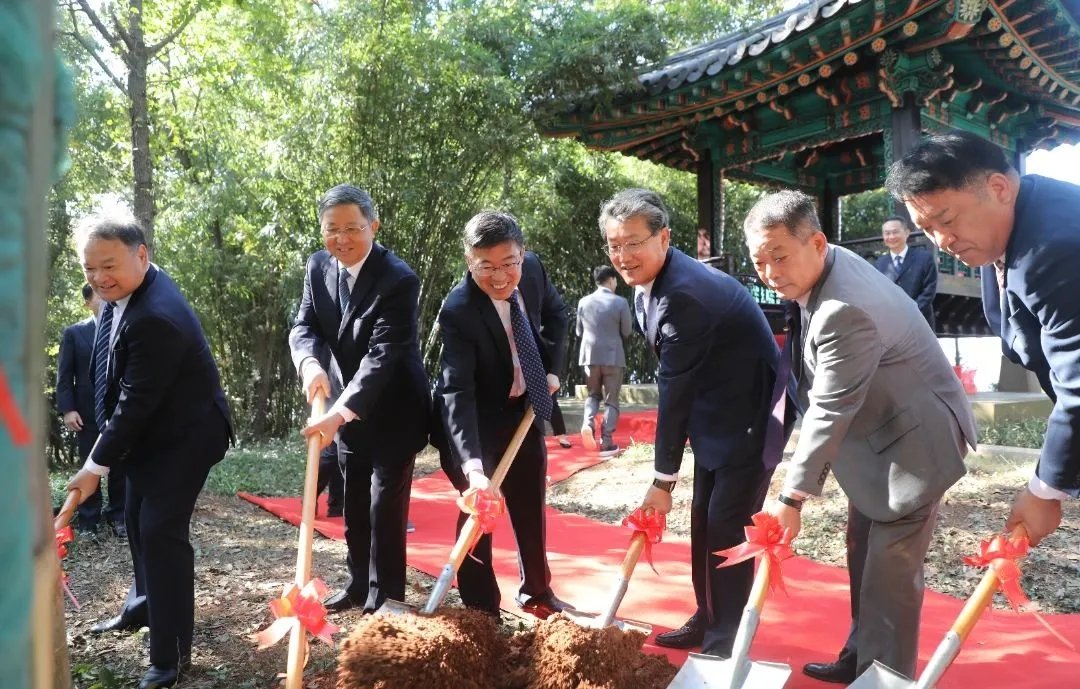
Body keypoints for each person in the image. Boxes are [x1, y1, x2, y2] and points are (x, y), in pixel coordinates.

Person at [744, 190, 976, 684]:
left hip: (915, 443)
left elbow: (829, 406)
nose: (770, 271)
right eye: (759, 261)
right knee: (861, 552)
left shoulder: (842, 309)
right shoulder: (826, 269)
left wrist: (791, 497)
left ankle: (883, 675)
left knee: (889, 573)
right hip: (879, 436)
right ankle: (858, 656)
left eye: (780, 256)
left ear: (818, 243)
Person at [601, 188, 791, 658]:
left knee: (728, 525)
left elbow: (675, 390)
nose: (623, 256)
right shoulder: (658, 284)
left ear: (663, 238)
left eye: (633, 243)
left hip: (749, 421)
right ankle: (707, 617)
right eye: (613, 245)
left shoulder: (684, 294)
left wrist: (662, 479)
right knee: (705, 522)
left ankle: (726, 639)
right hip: (715, 417)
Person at [886, 130, 1080, 546]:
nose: (943, 241)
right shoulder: (1005, 231)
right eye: (928, 229)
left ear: (998, 188)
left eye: (948, 220)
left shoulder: (1056, 246)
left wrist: (1045, 489)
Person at [65, 213, 233, 689]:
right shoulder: (124, 296)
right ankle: (142, 606)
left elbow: (135, 403)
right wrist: (107, 454)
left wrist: (93, 464)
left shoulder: (157, 315)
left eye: (109, 266)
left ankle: (171, 655)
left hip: (184, 438)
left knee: (160, 533)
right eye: (89, 269)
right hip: (146, 436)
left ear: (142, 255)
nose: (99, 278)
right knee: (137, 521)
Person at [289, 184, 430, 612]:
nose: (342, 239)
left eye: (353, 228)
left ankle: (386, 598)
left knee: (384, 509)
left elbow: (382, 357)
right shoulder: (318, 267)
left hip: (394, 409)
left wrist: (339, 413)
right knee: (353, 506)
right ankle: (357, 586)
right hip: (343, 409)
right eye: (332, 229)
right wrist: (310, 365)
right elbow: (304, 326)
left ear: (374, 225)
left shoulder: (399, 279)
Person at [434, 210, 570, 619]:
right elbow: (457, 390)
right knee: (479, 511)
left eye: (508, 264)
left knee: (530, 501)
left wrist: (549, 370)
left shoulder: (531, 272)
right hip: (471, 422)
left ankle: (537, 591)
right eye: (485, 267)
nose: (499, 277)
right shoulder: (457, 310)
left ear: (522, 254)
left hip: (521, 408)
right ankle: (481, 607)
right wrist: (473, 467)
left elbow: (559, 316)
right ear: (468, 260)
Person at [56, 283, 126, 536]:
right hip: (85, 412)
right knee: (88, 464)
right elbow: (64, 376)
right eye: (98, 294)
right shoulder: (75, 333)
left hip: (119, 409)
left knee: (120, 464)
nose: (106, 298)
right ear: (87, 302)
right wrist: (67, 410)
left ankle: (119, 515)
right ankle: (89, 520)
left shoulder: (124, 327)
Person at [575, 264, 632, 456]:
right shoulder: (620, 302)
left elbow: (578, 331)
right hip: (613, 356)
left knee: (593, 395)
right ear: (611, 280)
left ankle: (587, 425)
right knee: (611, 400)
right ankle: (607, 443)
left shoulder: (583, 302)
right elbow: (627, 332)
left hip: (589, 357)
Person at [873, 216, 938, 328]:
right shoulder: (879, 263)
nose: (891, 236)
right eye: (887, 233)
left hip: (921, 321)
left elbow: (929, 290)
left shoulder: (924, 258)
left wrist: (911, 312)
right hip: (891, 324)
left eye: (895, 232)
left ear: (907, 233)